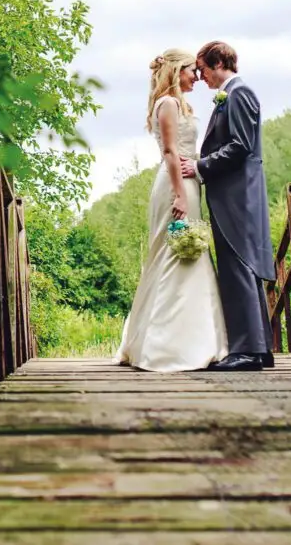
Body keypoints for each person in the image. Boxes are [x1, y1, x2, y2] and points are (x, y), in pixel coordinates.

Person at [113, 49, 228, 372]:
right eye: (193, 70)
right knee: (176, 254)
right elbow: (169, 150)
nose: (198, 75)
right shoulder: (168, 104)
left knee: (188, 253)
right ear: (177, 71)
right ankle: (167, 346)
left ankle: (197, 337)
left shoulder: (181, 104)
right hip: (175, 185)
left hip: (188, 183)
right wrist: (179, 195)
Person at [181, 41, 276, 371]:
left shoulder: (239, 93)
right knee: (240, 267)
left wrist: (200, 167)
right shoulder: (233, 95)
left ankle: (247, 352)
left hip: (238, 196)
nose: (202, 76)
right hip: (233, 195)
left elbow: (240, 146)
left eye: (204, 69)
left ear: (219, 62)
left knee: (238, 267)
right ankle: (258, 348)